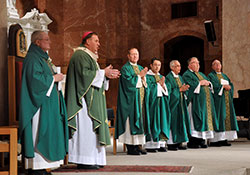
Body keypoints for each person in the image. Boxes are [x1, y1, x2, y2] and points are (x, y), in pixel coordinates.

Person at [65, 31, 120, 169]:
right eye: (96, 41)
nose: (99, 44)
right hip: (83, 103)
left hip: (92, 99)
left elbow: (93, 76)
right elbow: (84, 76)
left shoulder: (89, 56)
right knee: (86, 131)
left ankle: (93, 159)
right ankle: (84, 160)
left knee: (91, 133)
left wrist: (105, 76)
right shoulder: (80, 55)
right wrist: (103, 73)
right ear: (87, 41)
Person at [19, 31, 68, 175]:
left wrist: (56, 78)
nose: (50, 42)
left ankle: (43, 167)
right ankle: (37, 167)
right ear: (37, 42)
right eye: (46, 39)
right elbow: (35, 80)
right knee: (39, 131)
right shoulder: (33, 58)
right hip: (37, 105)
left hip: (47, 102)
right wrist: (54, 78)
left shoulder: (43, 58)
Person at [115, 48, 150, 155]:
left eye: (137, 54)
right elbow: (128, 83)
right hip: (130, 102)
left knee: (141, 121)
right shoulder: (125, 68)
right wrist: (140, 76)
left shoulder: (139, 67)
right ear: (128, 56)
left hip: (140, 100)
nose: (135, 56)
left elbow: (145, 84)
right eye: (133, 54)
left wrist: (143, 78)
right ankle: (131, 147)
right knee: (131, 122)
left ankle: (138, 145)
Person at [182, 57, 219, 148]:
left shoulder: (201, 74)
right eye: (194, 62)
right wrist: (199, 83)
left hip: (204, 103)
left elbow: (208, 83)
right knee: (195, 121)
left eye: (198, 62)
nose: (198, 64)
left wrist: (209, 83)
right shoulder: (187, 74)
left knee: (204, 120)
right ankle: (193, 141)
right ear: (189, 65)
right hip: (195, 102)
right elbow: (189, 86)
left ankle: (202, 140)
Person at [208, 59, 239, 146]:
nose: (218, 66)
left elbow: (231, 85)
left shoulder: (224, 76)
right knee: (219, 118)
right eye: (215, 64)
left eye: (219, 64)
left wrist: (229, 87)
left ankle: (224, 139)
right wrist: (222, 87)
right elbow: (213, 87)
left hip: (226, 101)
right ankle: (215, 140)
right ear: (212, 67)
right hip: (218, 102)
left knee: (227, 119)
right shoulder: (211, 76)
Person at [145, 57, 171, 152]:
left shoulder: (161, 76)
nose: (157, 67)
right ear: (151, 65)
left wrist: (163, 86)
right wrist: (157, 85)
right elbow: (148, 89)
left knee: (162, 121)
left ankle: (161, 143)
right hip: (153, 104)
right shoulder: (147, 76)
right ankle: (151, 145)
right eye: (155, 65)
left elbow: (167, 89)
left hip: (162, 104)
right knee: (154, 122)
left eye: (159, 65)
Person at [166, 60, 191, 151]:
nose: (179, 68)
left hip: (180, 104)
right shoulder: (169, 78)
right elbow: (168, 91)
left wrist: (185, 90)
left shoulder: (180, 77)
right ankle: (172, 143)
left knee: (181, 122)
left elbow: (184, 89)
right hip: (173, 105)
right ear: (172, 67)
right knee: (173, 122)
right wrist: (180, 90)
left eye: (179, 66)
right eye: (177, 66)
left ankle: (180, 141)